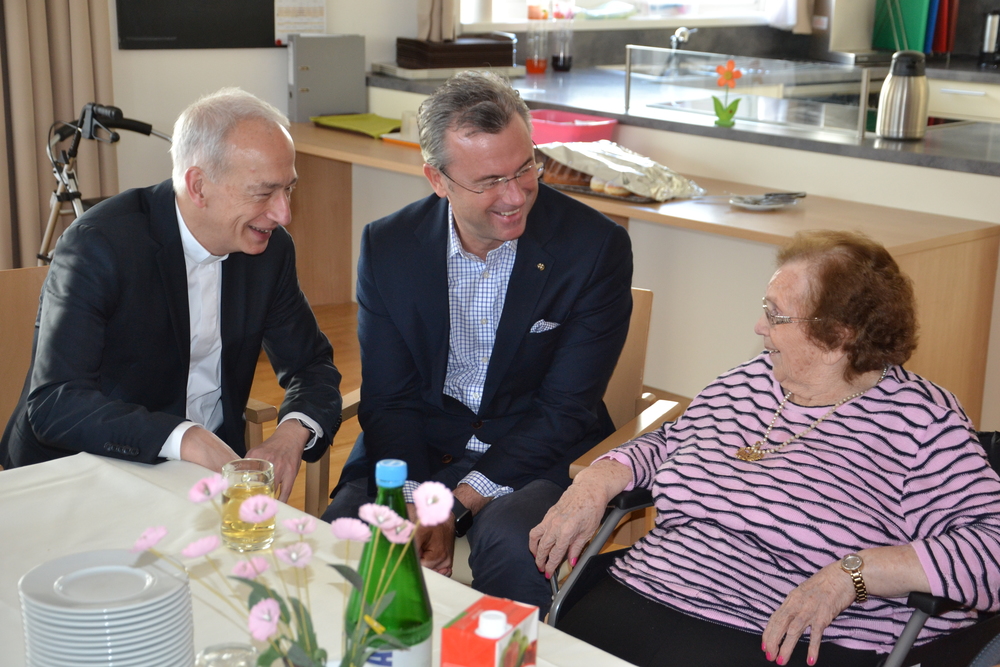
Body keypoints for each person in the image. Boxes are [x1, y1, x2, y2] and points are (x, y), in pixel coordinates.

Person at [530, 230, 1000, 667]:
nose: (758, 326)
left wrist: (853, 574)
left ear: (838, 335)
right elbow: (672, 441)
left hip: (774, 635)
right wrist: (598, 479)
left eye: (776, 315)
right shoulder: (747, 381)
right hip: (642, 595)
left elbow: (991, 549)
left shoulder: (921, 422)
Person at [321, 70, 632, 614]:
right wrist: (420, 500)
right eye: (489, 181)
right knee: (347, 541)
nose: (515, 196)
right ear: (437, 179)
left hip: (535, 450)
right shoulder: (388, 245)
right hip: (418, 442)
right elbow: (390, 398)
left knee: (514, 546)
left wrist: (455, 505)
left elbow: (565, 409)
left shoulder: (593, 248)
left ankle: (519, 650)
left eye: (525, 168)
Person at [0, 88, 343, 500]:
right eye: (263, 192)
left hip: (205, 478)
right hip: (80, 474)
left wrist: (291, 432)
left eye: (288, 189)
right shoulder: (99, 245)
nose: (283, 213)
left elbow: (311, 365)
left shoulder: (270, 250)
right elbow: (56, 403)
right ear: (198, 186)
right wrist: (185, 437)